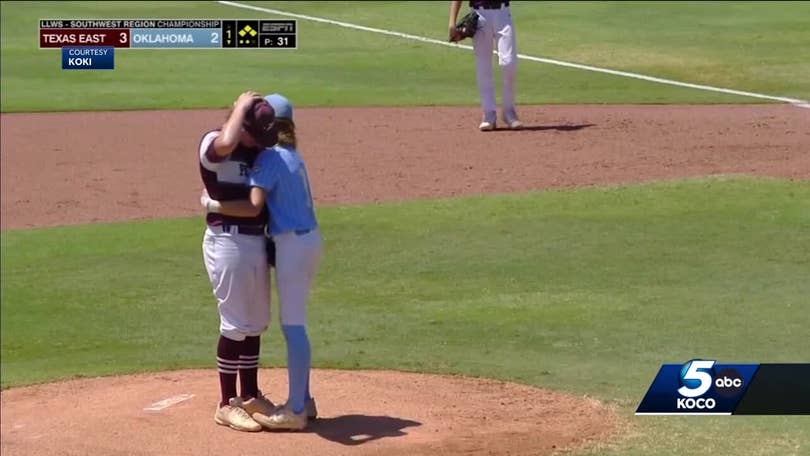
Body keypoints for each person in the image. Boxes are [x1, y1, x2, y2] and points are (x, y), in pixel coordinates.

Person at [202, 93, 322, 431]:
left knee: (277, 324)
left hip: (282, 245)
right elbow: (225, 144)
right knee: (253, 322)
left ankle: (284, 403)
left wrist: (212, 205)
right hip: (293, 241)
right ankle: (240, 401)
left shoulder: (267, 158)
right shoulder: (292, 157)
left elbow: (255, 206)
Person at [198, 91, 279, 432]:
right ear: (240, 121)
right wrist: (242, 105)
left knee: (255, 322)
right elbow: (228, 139)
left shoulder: (257, 153)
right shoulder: (213, 144)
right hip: (227, 241)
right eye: (253, 134)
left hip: (255, 241)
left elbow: (259, 205)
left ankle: (249, 395)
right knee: (234, 323)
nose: (258, 143)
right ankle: (225, 403)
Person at [449, 0, 522, 131]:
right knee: (483, 64)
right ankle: (489, 114)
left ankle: (508, 111)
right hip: (480, 15)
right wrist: (452, 23)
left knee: (509, 62)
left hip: (503, 14)